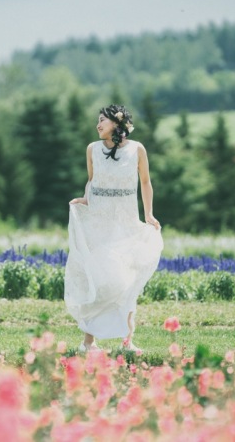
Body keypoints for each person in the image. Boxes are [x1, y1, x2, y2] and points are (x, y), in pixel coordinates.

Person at [64, 104, 163, 353]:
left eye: (102, 121)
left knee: (127, 280)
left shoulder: (137, 149)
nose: (98, 125)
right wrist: (85, 199)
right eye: (97, 121)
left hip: (126, 223)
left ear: (117, 124)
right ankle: (88, 343)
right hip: (98, 223)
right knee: (97, 279)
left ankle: (127, 342)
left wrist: (149, 214)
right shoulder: (92, 149)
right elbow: (92, 180)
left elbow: (145, 182)